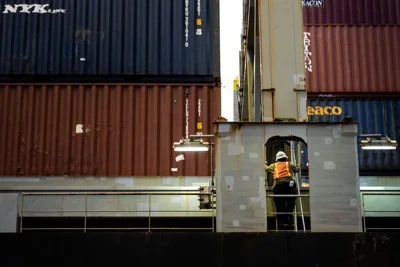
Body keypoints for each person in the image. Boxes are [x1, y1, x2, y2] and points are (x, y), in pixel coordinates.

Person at [265, 151, 300, 230]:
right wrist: (298, 166)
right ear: (285, 158)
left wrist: (264, 164)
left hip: (278, 186)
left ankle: (281, 222)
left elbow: (266, 169)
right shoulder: (289, 164)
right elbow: (297, 169)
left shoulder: (274, 165)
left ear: (277, 159)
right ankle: (289, 217)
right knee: (291, 200)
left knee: (279, 203)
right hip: (289, 185)